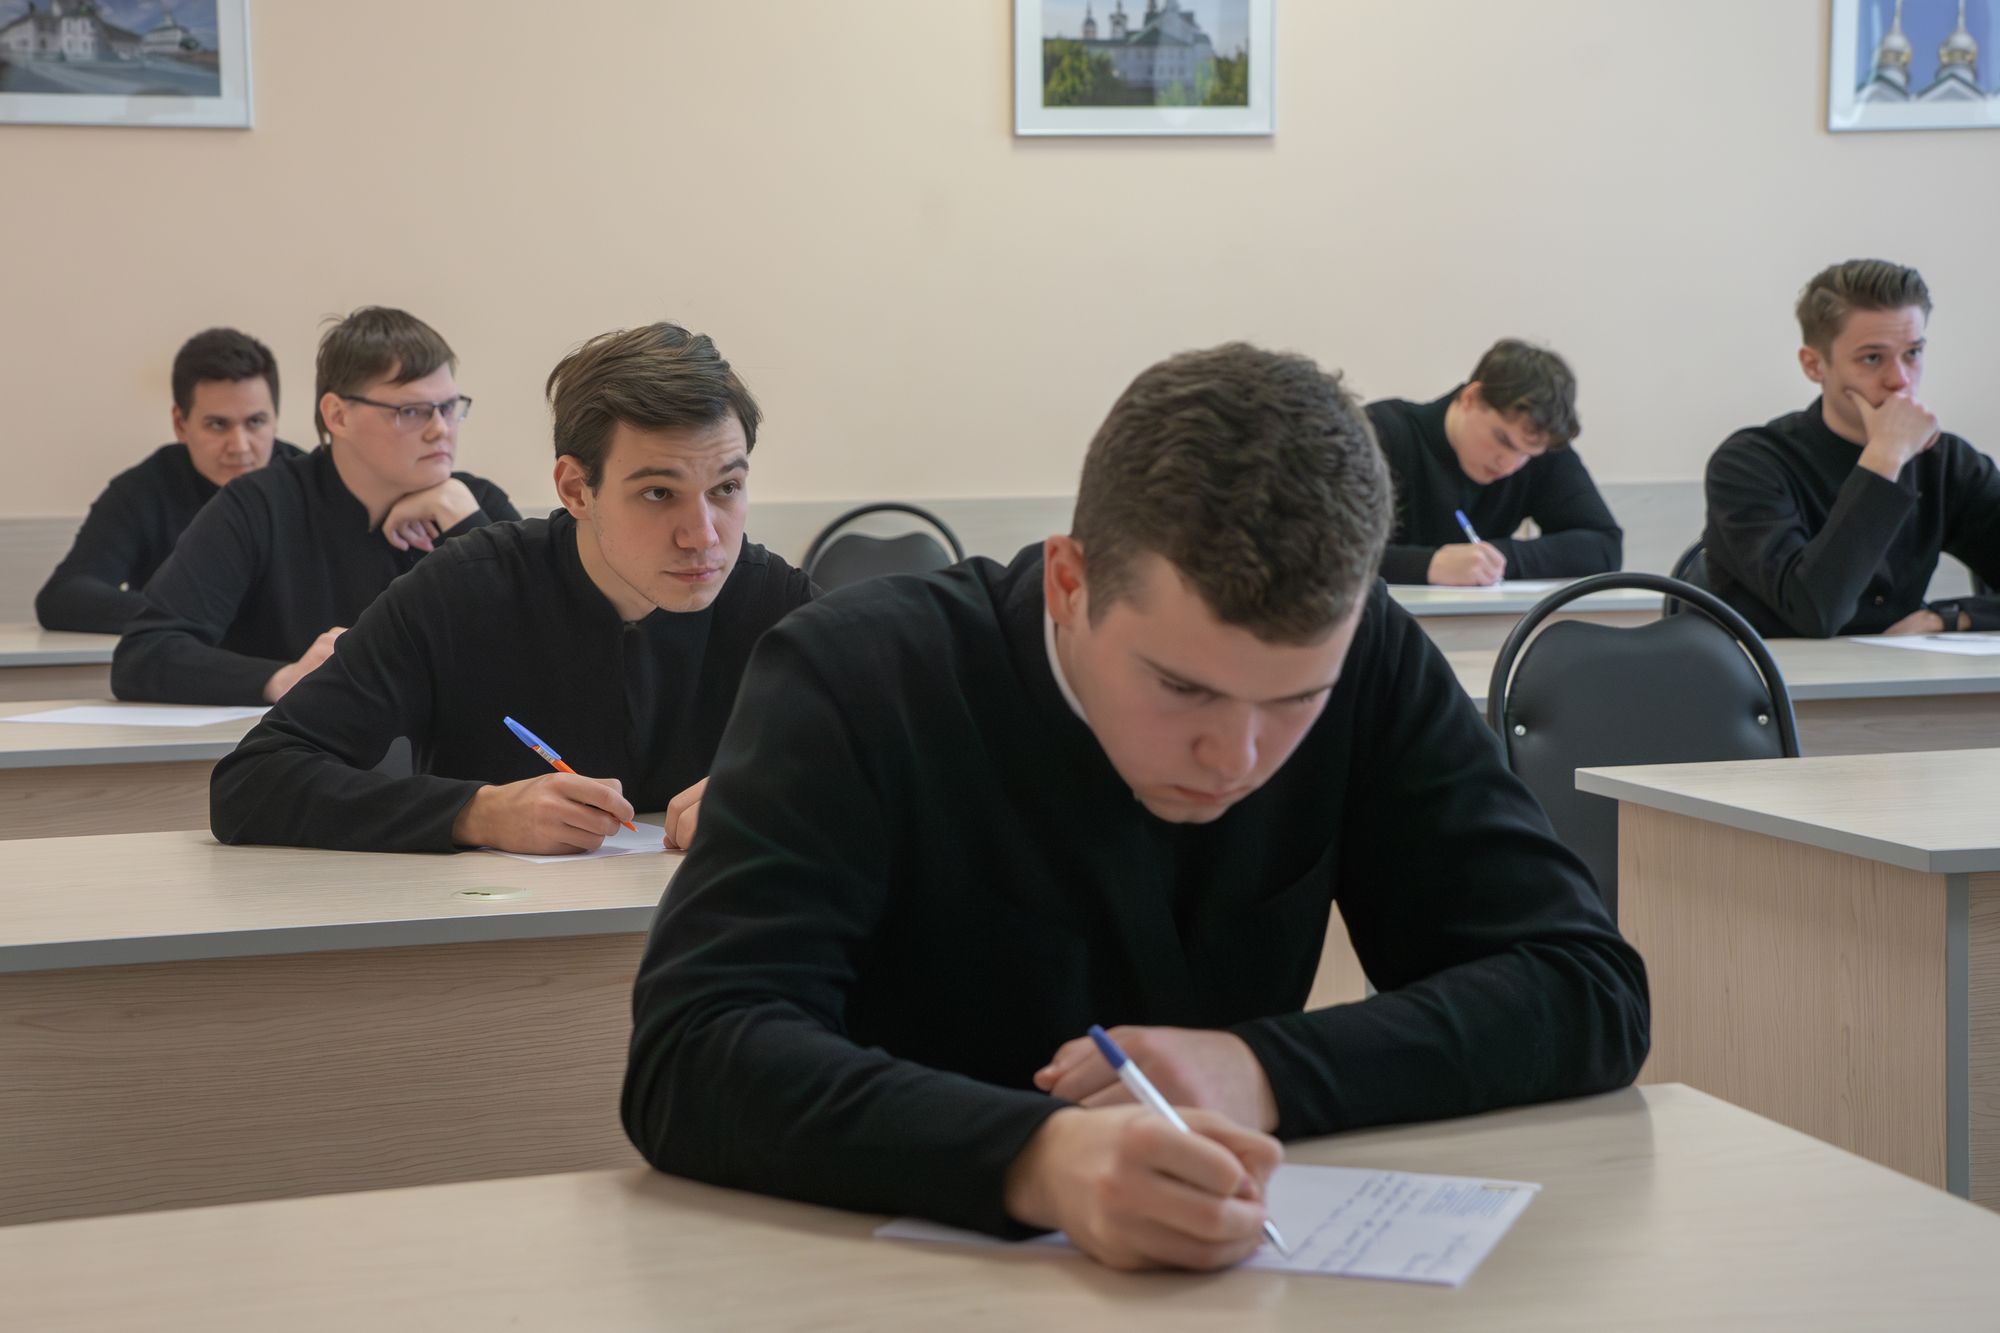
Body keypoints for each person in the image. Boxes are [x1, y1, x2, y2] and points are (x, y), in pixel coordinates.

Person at [622, 342, 1650, 1272]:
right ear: (1069, 582)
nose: (1237, 757)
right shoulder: (857, 674)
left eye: (1293, 701)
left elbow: (1584, 986)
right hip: (890, 1277)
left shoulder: (1366, 654)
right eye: (1182, 687)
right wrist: (1037, 1159)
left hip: (1220, 1273)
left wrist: (1262, 1070)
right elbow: (692, 1052)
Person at [209, 322, 813, 855]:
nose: (702, 536)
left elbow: (874, 757)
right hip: (495, 935)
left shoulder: (778, 603)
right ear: (575, 490)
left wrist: (785, 793)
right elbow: (251, 782)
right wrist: (476, 813)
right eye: (658, 493)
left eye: (726, 489)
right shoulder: (464, 589)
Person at [111, 307, 517, 704]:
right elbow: (145, 655)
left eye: (448, 408)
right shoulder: (259, 506)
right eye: (410, 411)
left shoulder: (474, 504)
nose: (440, 430)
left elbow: (539, 647)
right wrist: (282, 679)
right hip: (305, 746)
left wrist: (463, 518)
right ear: (338, 415)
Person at [1703, 259, 2000, 638]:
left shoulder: (1947, 462)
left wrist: (1950, 617)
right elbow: (1816, 612)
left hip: (1897, 672)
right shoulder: (1748, 464)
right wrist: (1885, 457)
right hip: (1775, 673)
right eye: (1872, 358)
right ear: (1814, 365)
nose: (1900, 380)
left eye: (1913, 353)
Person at [35, 328, 303, 634]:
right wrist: (188, 616)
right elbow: (64, 596)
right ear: (180, 424)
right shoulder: (142, 491)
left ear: (275, 419)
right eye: (218, 425)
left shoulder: (308, 485)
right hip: (186, 661)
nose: (240, 446)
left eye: (255, 422)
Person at [1366, 339, 1621, 585]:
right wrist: (1428, 565)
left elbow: (1604, 547)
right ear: (1471, 398)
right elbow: (1342, 554)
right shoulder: (1377, 433)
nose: (1508, 465)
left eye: (1526, 454)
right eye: (1503, 440)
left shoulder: (1538, 446)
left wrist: (1494, 560)